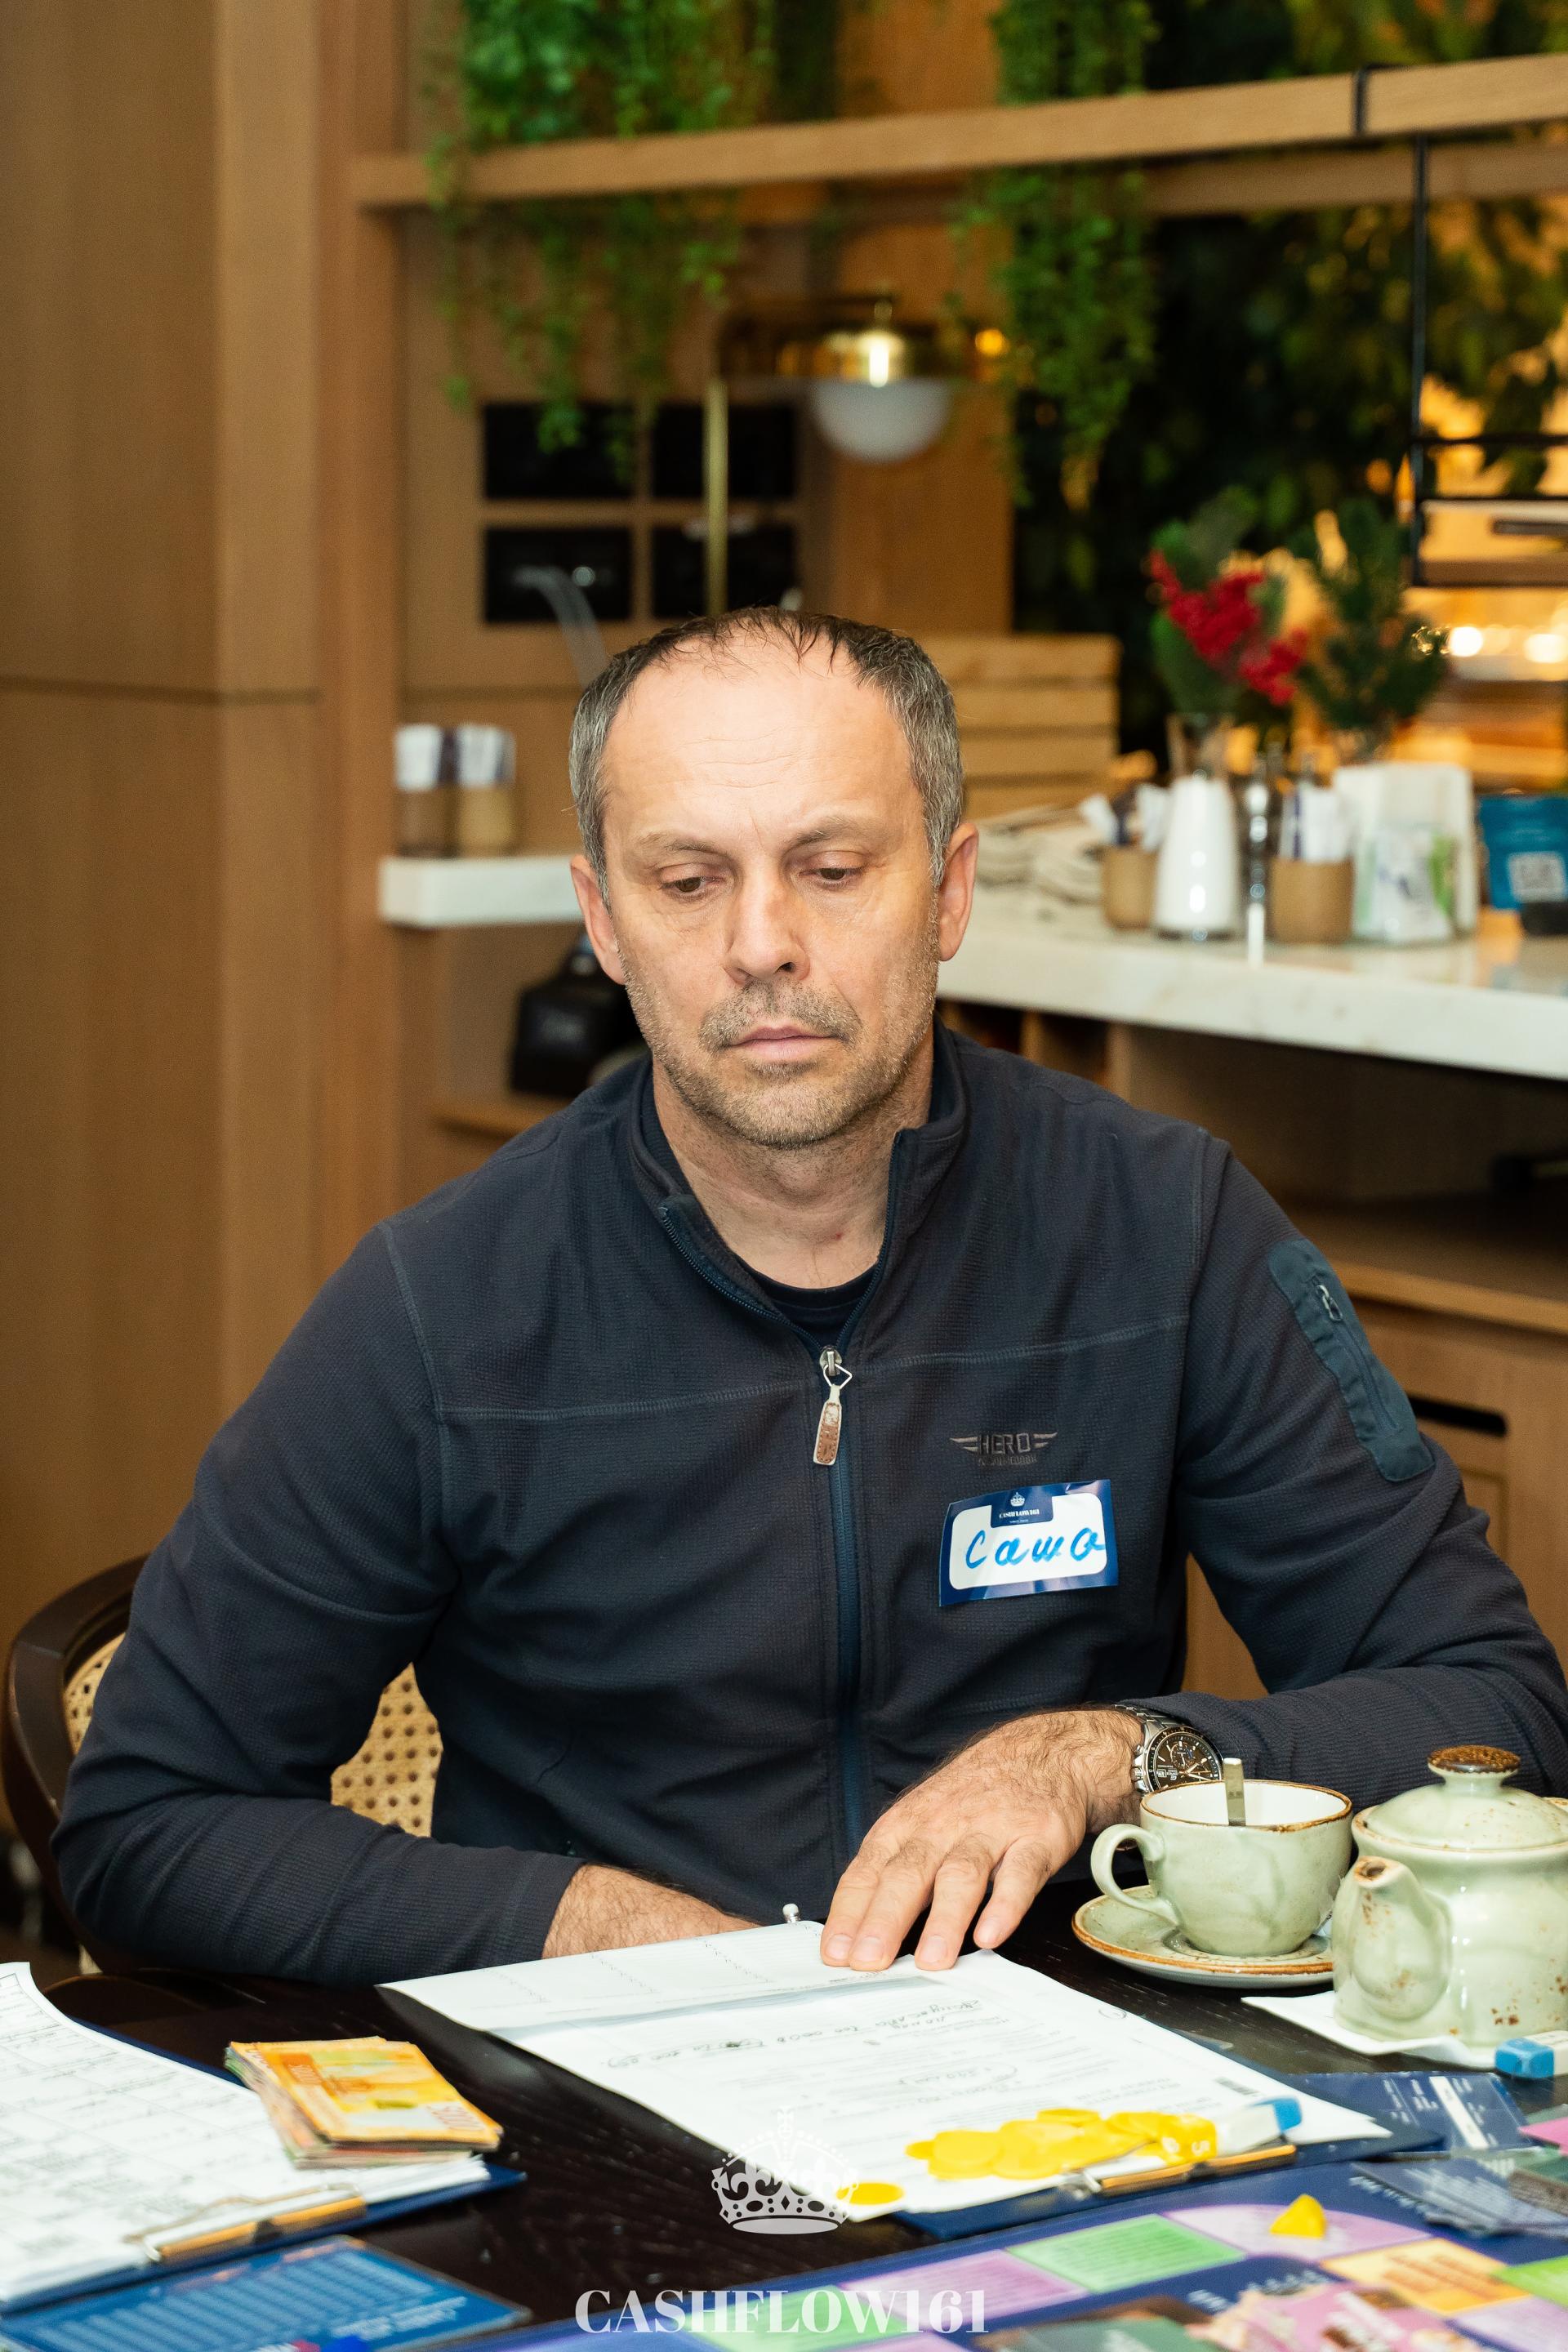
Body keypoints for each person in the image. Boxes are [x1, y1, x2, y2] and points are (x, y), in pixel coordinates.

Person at [56, 608, 1568, 1987]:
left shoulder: (1163, 1229)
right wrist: (590, 1927)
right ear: (603, 919)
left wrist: (1110, 1758)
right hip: (609, 2102)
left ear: (949, 891)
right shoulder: (441, 1307)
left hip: (1073, 2095)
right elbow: (148, 1824)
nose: (762, 944)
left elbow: (1498, 1710)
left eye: (833, 870)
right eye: (687, 880)